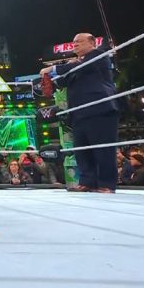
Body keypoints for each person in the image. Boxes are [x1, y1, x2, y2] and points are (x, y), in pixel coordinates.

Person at [40, 33, 119, 193]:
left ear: (92, 43)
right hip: (79, 112)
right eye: (74, 42)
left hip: (99, 110)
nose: (75, 45)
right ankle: (87, 182)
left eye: (79, 42)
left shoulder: (98, 55)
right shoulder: (75, 63)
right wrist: (50, 78)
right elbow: (62, 81)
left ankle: (106, 184)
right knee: (82, 149)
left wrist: (52, 68)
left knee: (103, 149)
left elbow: (80, 66)